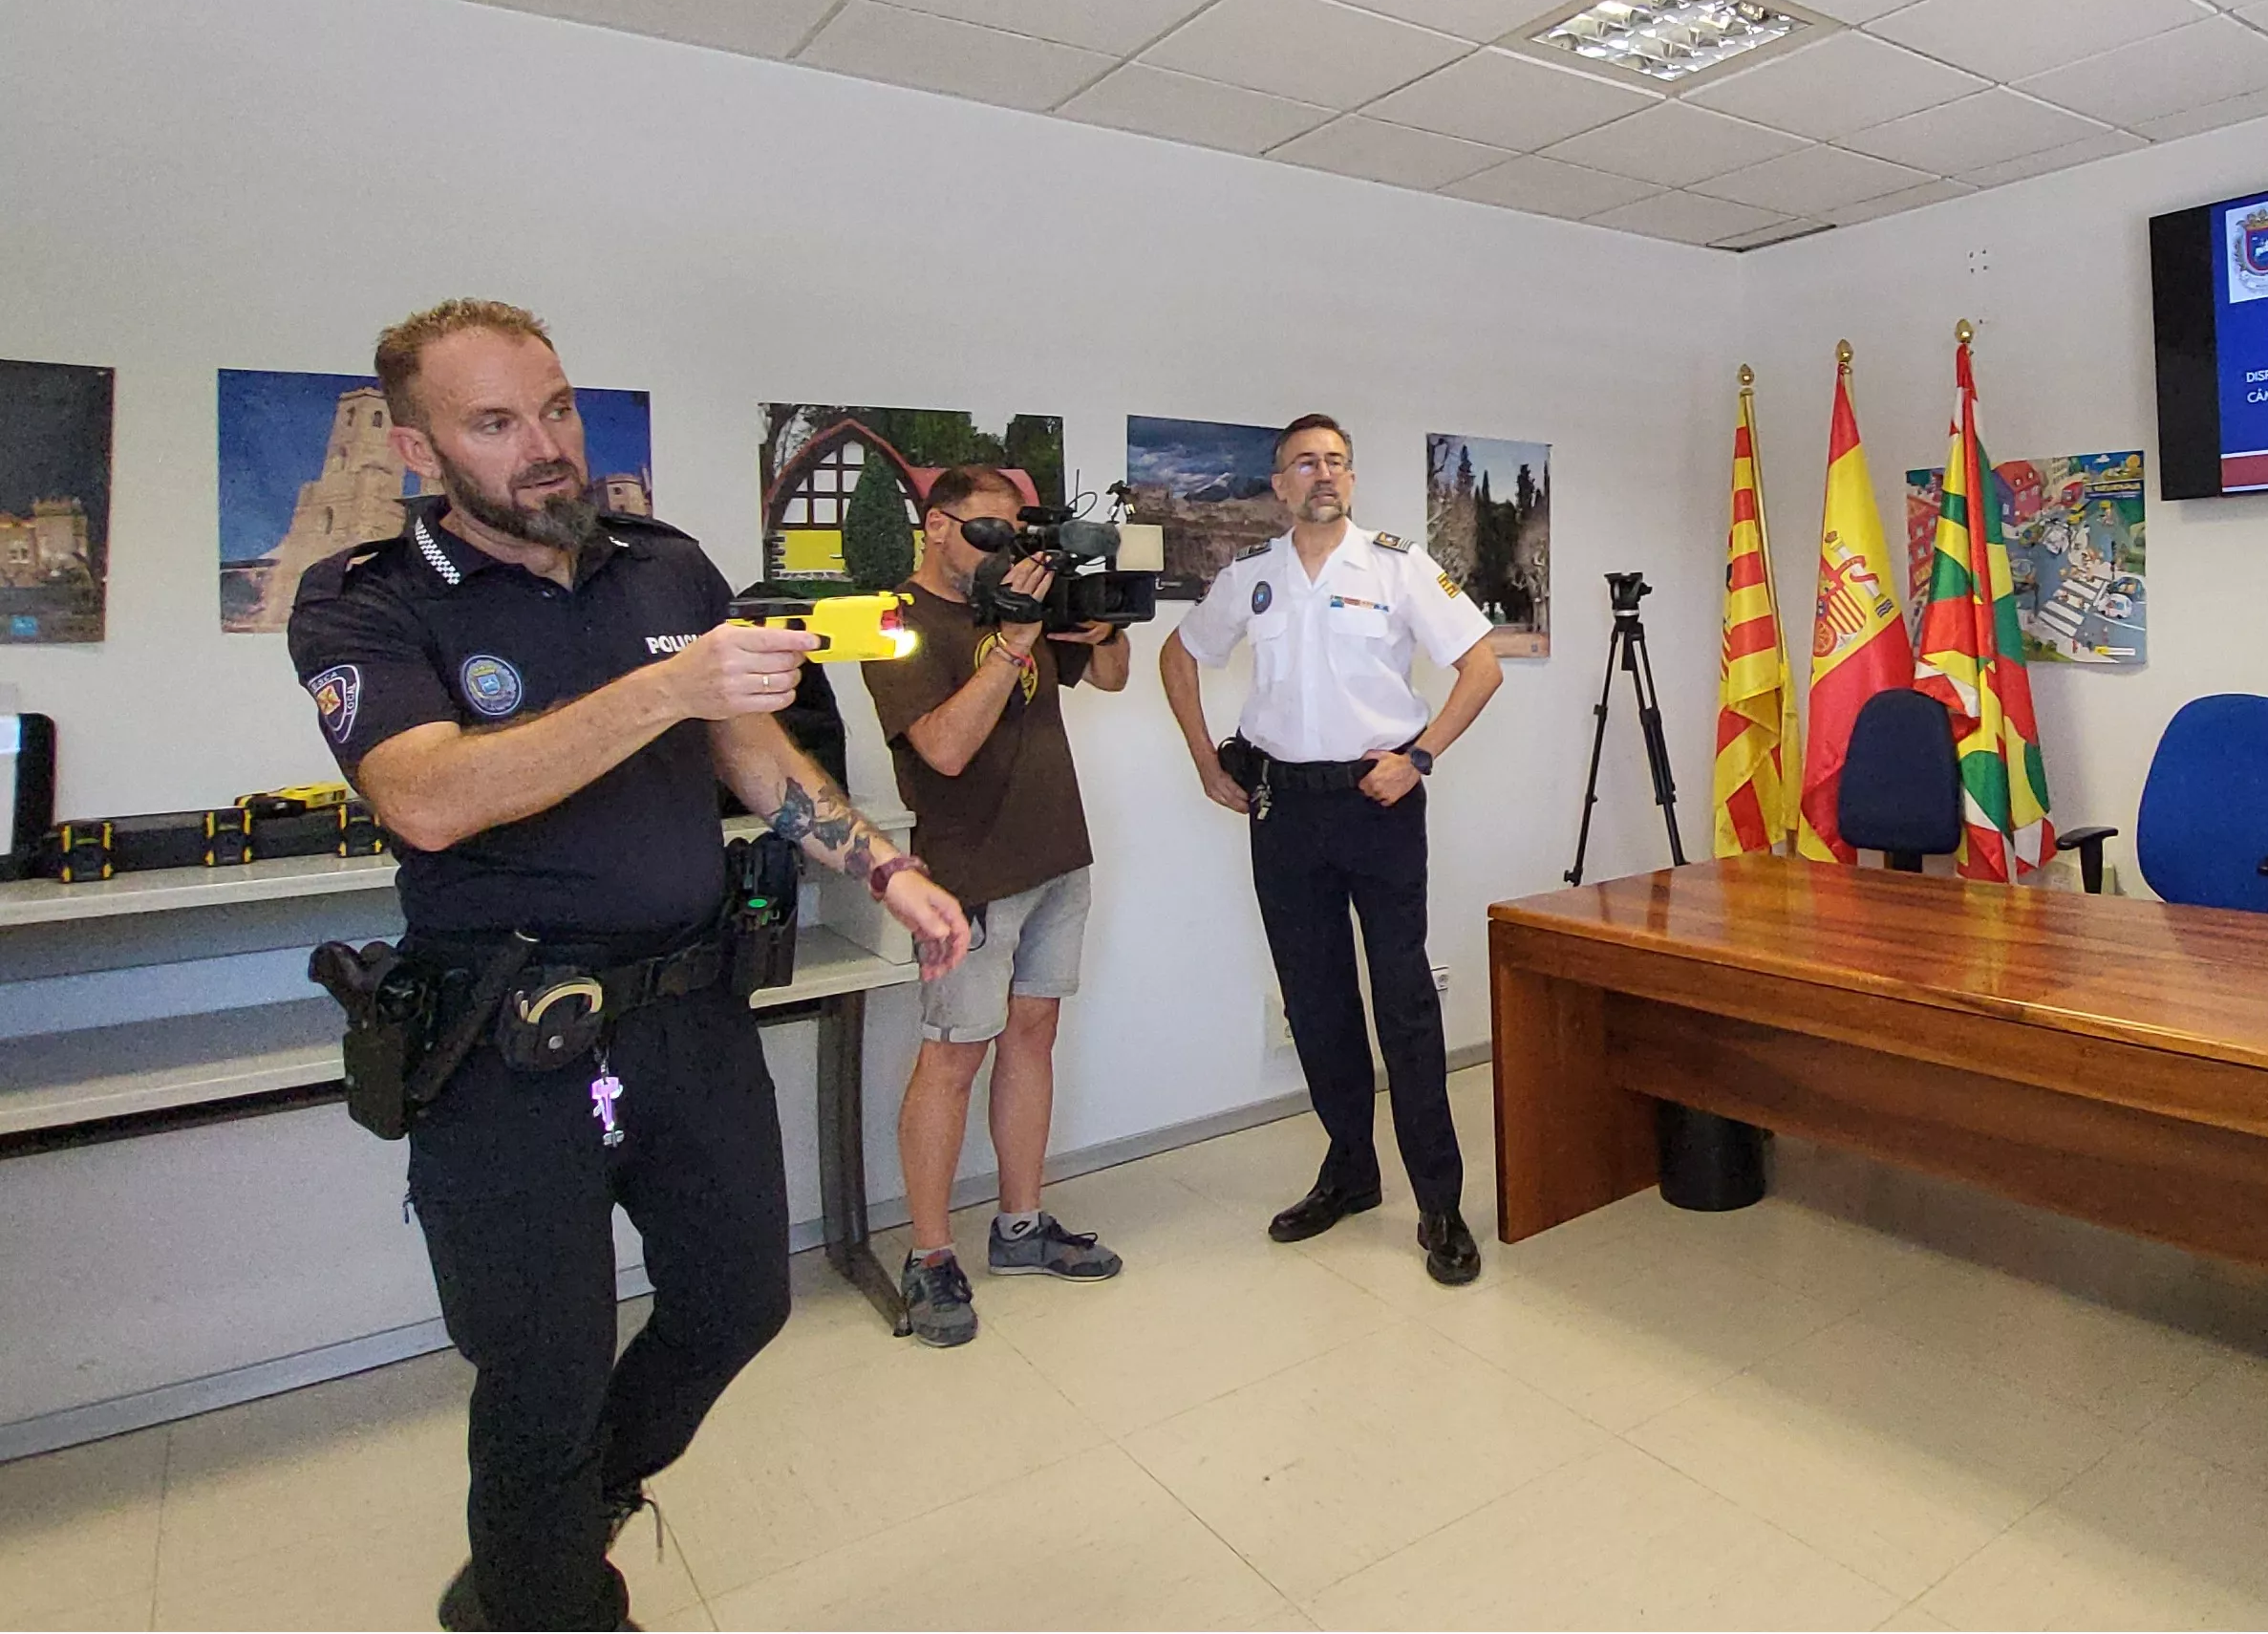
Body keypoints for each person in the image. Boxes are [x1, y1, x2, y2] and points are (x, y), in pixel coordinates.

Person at [289, 299, 974, 1632]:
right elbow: (425, 797)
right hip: (502, 1045)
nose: (544, 445)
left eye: (555, 408)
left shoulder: (663, 567)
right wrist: (666, 690)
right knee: (539, 1371)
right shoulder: (366, 603)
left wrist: (879, 864)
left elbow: (748, 750)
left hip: (685, 1014)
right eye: (494, 422)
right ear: (421, 450)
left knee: (738, 1301)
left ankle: (556, 1521)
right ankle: (547, 1589)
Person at [1159, 414, 1503, 1285]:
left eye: (1337, 463)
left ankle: (1439, 1203)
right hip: (1282, 810)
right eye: (1305, 463)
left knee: (1403, 1006)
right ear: (1278, 485)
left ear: (1351, 480)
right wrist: (1205, 760)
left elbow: (1481, 665)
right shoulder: (1250, 578)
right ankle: (1350, 1168)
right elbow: (1179, 653)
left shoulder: (1396, 566)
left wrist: (1419, 757)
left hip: (1375, 805)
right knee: (1315, 1002)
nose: (1324, 475)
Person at [857, 465, 1133, 1346]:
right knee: (951, 1059)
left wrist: (1103, 622)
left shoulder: (1028, 601)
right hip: (966, 878)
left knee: (1033, 1035)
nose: (1003, 549)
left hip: (1057, 855)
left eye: (1013, 532)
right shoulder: (894, 622)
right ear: (936, 527)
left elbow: (1114, 677)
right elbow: (939, 750)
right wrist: (1014, 640)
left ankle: (1020, 1224)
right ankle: (929, 1257)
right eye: (983, 530)